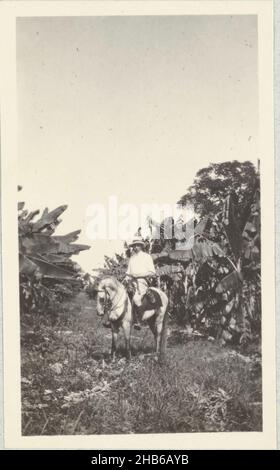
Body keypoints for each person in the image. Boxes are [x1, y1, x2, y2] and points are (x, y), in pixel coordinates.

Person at [125, 236, 156, 330]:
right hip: (131, 281)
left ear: (141, 246)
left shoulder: (147, 257)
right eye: (134, 246)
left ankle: (140, 321)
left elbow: (152, 272)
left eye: (137, 245)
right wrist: (127, 278)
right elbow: (128, 272)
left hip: (142, 281)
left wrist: (138, 275)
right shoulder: (132, 258)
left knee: (136, 299)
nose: (135, 247)